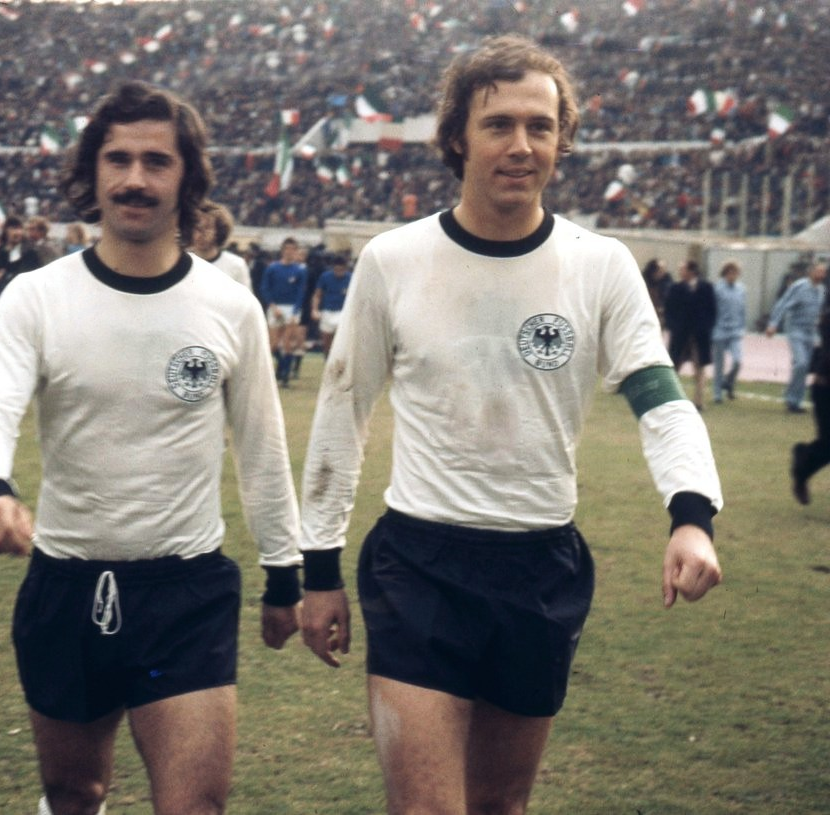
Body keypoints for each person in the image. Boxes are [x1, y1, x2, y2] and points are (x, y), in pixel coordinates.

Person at [297, 36, 724, 815]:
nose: (521, 145)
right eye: (498, 124)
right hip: (419, 564)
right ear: (458, 136)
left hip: (539, 568)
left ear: (563, 139)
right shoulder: (393, 261)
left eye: (540, 125)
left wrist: (692, 515)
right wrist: (319, 569)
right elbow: (340, 414)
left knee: (500, 806)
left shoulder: (601, 265)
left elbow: (662, 401)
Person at [0, 80, 302, 815]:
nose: (135, 179)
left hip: (186, 592)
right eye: (118, 159)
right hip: (66, 586)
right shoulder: (36, 296)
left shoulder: (229, 306)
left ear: (187, 177)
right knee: (75, 793)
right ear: (93, 170)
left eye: (156, 161)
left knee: (194, 804)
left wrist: (283, 571)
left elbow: (262, 448)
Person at [766, 262, 827, 413]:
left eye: (823, 272)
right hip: (796, 330)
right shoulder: (800, 287)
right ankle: (791, 397)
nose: (821, 275)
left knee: (804, 367)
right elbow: (783, 304)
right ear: (811, 272)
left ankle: (795, 402)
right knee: (801, 363)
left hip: (810, 333)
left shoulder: (821, 290)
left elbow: (818, 313)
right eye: (818, 271)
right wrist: (773, 323)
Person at [791, 279, 830, 504]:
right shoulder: (827, 317)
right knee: (828, 445)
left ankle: (802, 460)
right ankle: (802, 467)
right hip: (825, 388)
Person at [664, 259, 716, 410]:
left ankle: (699, 401)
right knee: (674, 366)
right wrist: (674, 327)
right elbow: (669, 311)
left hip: (700, 336)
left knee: (699, 368)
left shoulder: (706, 288)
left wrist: (706, 327)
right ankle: (669, 398)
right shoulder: (675, 288)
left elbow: (712, 310)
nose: (680, 272)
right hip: (680, 335)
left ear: (691, 271)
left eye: (683, 269)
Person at [259, 236, 308, 386]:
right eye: (287, 249)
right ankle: (281, 366)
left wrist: (295, 312)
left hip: (291, 308)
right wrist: (273, 306)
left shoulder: (299, 270)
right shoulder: (273, 268)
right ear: (282, 250)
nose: (289, 252)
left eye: (293, 249)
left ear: (296, 251)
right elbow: (265, 288)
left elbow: (301, 292)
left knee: (287, 343)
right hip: (275, 307)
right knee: (273, 344)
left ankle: (285, 376)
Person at [189, 201, 251, 288]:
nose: (200, 234)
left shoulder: (236, 265)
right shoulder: (179, 263)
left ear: (219, 230)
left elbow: (245, 295)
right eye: (196, 228)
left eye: (207, 228)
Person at [711, 260, 747, 403]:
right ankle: (717, 394)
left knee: (738, 361)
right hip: (719, 330)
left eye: (735, 273)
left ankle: (728, 381)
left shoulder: (741, 289)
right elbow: (712, 309)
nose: (733, 275)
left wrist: (742, 327)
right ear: (725, 273)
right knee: (719, 364)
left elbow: (742, 310)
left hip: (735, 331)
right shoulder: (717, 289)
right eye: (730, 272)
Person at [310, 252, 352, 355]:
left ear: (345, 268)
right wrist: (315, 310)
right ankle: (328, 361)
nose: (339, 272)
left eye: (341, 270)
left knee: (340, 342)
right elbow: (317, 295)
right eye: (337, 270)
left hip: (343, 312)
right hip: (327, 312)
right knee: (326, 343)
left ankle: (340, 361)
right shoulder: (325, 277)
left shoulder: (351, 278)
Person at [0, 216, 41, 285]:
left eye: (20, 229)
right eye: (13, 228)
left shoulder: (30, 253)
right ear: (5, 230)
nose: (17, 232)